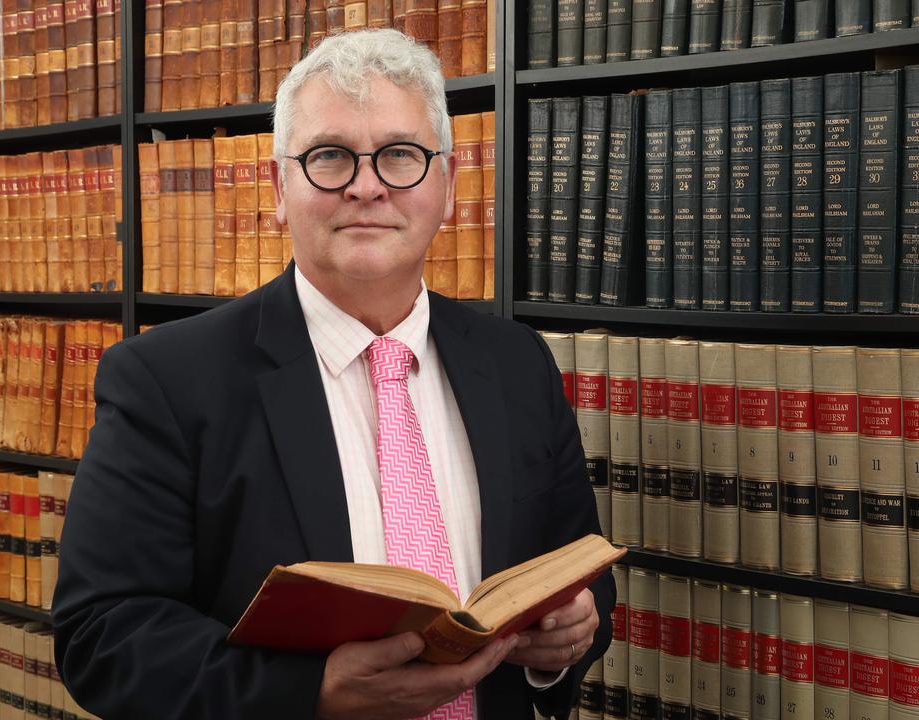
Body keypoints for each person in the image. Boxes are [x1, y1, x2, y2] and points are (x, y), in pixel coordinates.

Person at [51, 28, 615, 720]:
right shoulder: (164, 381)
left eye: (400, 155)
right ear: (280, 187)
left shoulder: (517, 363)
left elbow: (577, 578)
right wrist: (310, 694)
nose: (367, 186)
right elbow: (101, 636)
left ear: (447, 186)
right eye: (330, 157)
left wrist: (568, 640)